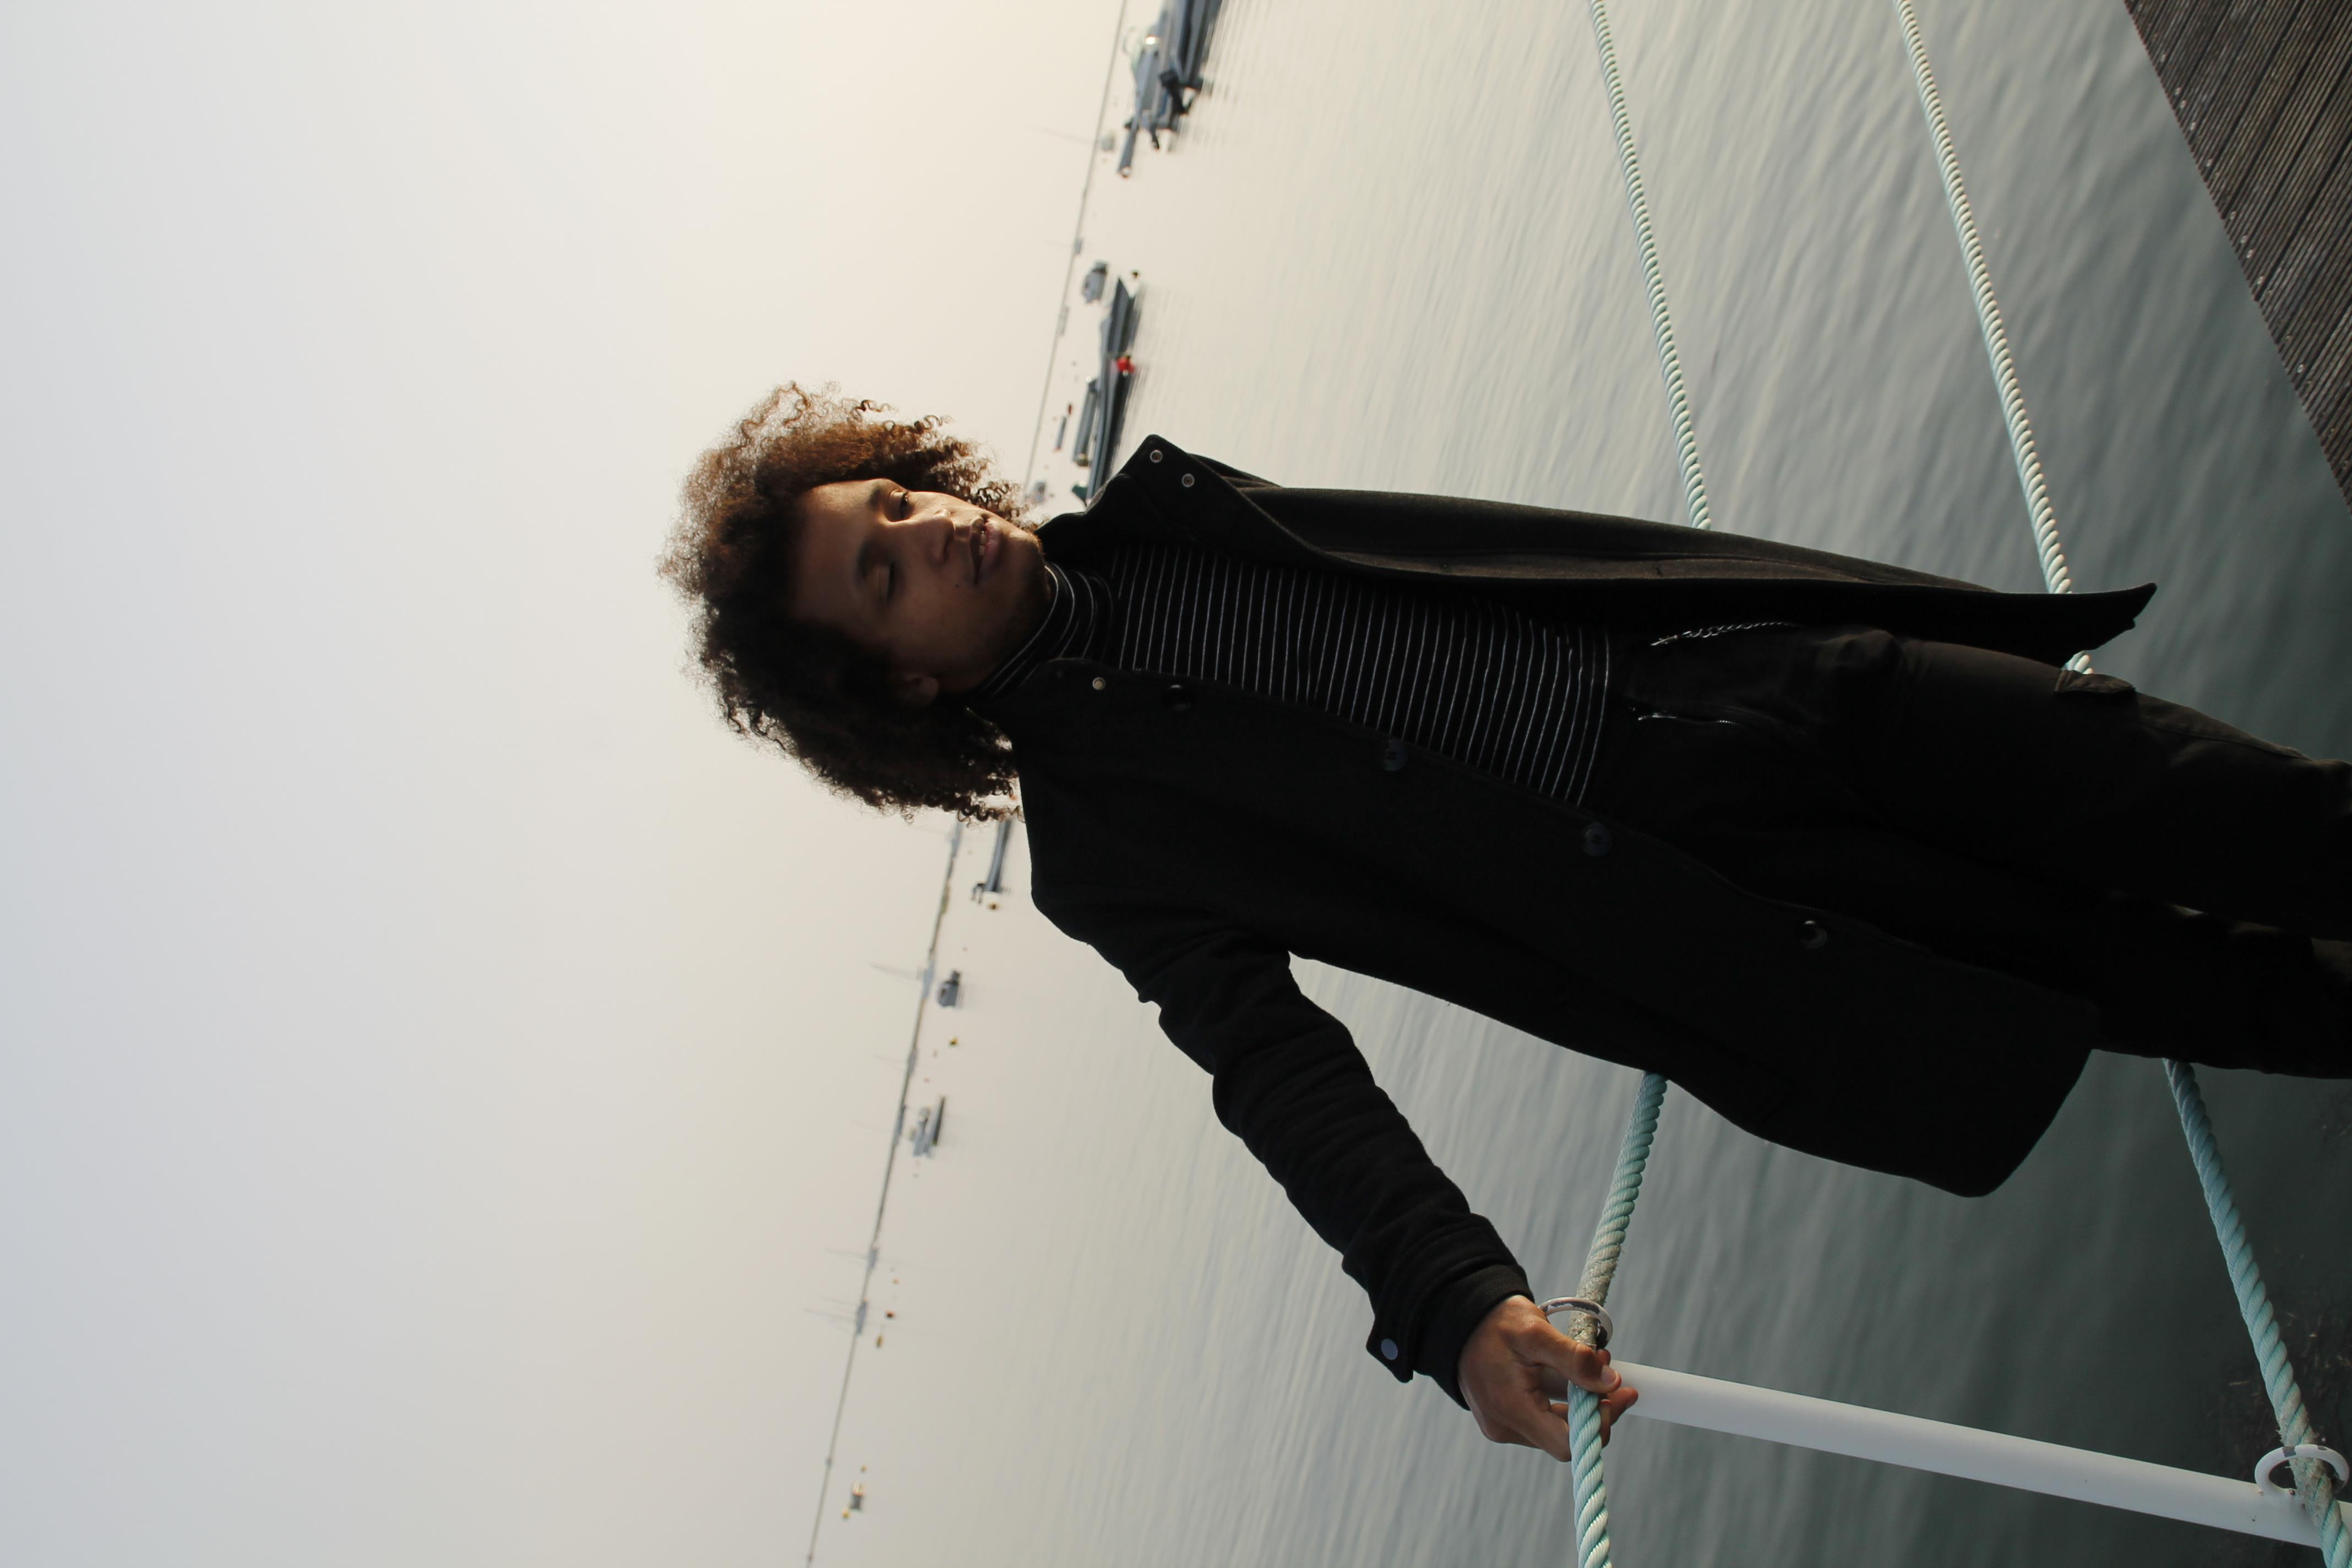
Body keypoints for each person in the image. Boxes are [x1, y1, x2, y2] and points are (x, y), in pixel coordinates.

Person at [660, 384, 2350, 1462]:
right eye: (882, 575)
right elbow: (1275, 1070)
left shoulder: (1166, 507)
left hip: (1782, 688)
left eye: (896, 505)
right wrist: (1447, 1296)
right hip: (1747, 905)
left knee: (2250, 812)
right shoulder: (1106, 852)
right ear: (892, 689)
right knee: (2215, 994)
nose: (931, 534)